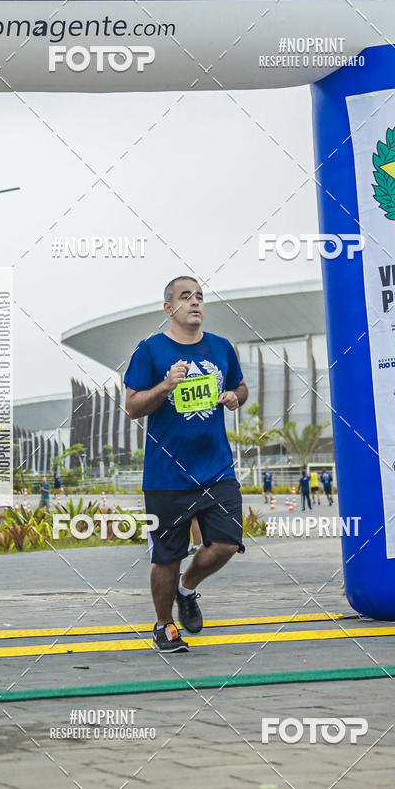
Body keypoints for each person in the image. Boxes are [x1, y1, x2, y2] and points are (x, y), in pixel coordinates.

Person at [125, 275, 248, 653]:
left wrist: (233, 397)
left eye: (198, 296)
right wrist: (164, 387)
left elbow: (241, 386)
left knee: (227, 544)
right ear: (169, 308)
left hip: (217, 469)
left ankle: (187, 588)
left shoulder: (221, 348)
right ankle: (164, 626)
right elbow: (132, 406)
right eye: (185, 297)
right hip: (167, 475)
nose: (194, 302)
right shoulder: (150, 351)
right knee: (167, 555)